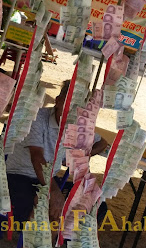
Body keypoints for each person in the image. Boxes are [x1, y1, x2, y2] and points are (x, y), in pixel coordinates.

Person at [6, 81, 108, 224]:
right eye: (69, 105)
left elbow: (102, 142)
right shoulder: (37, 118)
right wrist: (53, 191)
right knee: (45, 207)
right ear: (58, 101)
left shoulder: (77, 124)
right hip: (19, 175)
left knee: (97, 205)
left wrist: (78, 156)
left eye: (78, 109)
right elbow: (37, 158)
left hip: (48, 179)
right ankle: (37, 241)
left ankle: (58, 237)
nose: (73, 112)